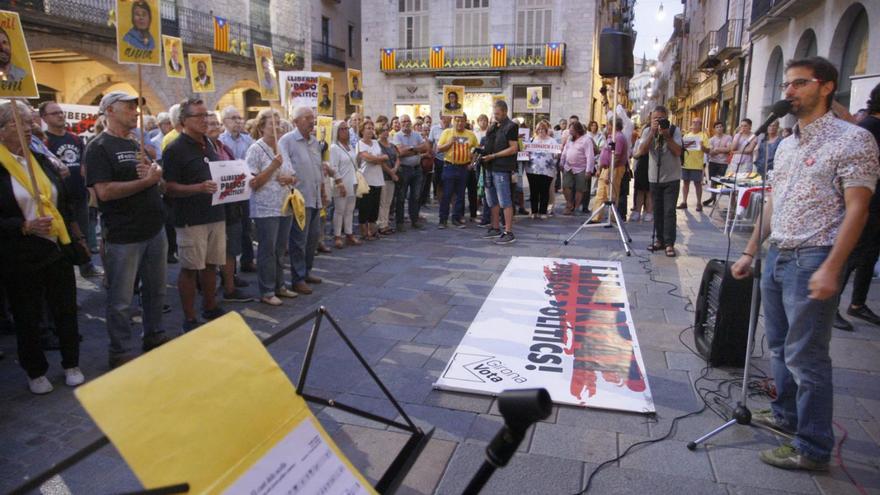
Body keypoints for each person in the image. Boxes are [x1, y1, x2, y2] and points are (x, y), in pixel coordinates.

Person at [731, 56, 879, 471]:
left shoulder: (853, 140)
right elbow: (774, 200)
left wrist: (832, 266)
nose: (789, 92)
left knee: (806, 357)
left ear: (827, 86)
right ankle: (786, 416)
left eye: (799, 83)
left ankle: (813, 446)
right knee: (778, 346)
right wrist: (750, 249)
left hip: (814, 255)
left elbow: (857, 210)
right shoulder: (786, 143)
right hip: (777, 252)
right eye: (786, 85)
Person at [0, 100, 84, 393]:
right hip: (19, 253)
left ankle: (71, 362)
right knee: (28, 314)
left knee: (65, 308)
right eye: (16, 124)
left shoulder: (39, 157)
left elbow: (63, 197)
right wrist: (23, 226)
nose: (26, 128)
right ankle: (35, 370)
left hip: (56, 246)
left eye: (27, 122)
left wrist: (73, 231)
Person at [163, 98, 227, 332]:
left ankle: (210, 306)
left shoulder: (209, 143)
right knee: (190, 268)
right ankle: (189, 317)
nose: (205, 120)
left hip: (215, 212)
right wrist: (197, 188)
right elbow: (168, 187)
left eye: (206, 115)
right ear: (184, 121)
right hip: (191, 218)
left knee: (212, 264)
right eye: (198, 116)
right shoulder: (175, 149)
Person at [834, 82, 880, 331]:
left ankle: (857, 304)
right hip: (866, 203)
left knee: (869, 255)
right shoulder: (869, 128)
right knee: (854, 254)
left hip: (875, 203)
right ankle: (831, 307)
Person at [40, 101, 103, 277]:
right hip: (58, 200)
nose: (60, 115)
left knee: (82, 233)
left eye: (60, 112)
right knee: (63, 238)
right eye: (54, 113)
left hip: (79, 193)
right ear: (44, 118)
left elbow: (84, 162)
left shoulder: (74, 138)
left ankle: (86, 266)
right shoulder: (43, 141)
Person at [245, 109, 298, 306]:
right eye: (272, 124)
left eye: (279, 123)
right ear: (261, 128)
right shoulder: (255, 150)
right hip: (265, 207)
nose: (278, 127)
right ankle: (267, 291)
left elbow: (293, 175)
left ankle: (279, 285)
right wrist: (273, 167)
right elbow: (253, 182)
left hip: (284, 204)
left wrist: (290, 178)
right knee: (267, 249)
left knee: (280, 248)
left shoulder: (281, 146)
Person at [206, 112, 253, 303]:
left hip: (232, 204)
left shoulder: (223, 147)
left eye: (215, 123)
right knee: (215, 251)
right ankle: (217, 289)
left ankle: (229, 283)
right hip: (213, 207)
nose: (214, 126)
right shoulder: (203, 149)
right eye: (209, 123)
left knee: (232, 247)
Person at [278, 106, 325, 295]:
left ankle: (306, 271)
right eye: (307, 118)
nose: (311, 121)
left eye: (312, 118)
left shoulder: (314, 142)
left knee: (313, 238)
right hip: (299, 198)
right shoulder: (287, 140)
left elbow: (318, 168)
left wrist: (323, 190)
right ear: (295, 121)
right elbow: (285, 167)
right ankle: (297, 278)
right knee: (299, 240)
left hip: (315, 196)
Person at [638, 105, 682, 257]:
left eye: (661, 119)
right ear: (651, 119)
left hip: (672, 177)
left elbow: (678, 151)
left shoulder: (674, 130)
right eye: (655, 119)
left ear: (667, 118)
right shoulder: (647, 131)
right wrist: (652, 132)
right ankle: (659, 240)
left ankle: (669, 243)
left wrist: (666, 135)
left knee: (669, 210)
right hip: (654, 177)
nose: (658, 121)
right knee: (657, 209)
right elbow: (641, 152)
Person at [219, 106, 257, 273]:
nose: (238, 121)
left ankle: (248, 260)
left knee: (246, 226)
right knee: (231, 229)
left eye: (239, 118)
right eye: (233, 118)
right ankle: (230, 268)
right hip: (228, 191)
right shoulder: (220, 141)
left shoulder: (248, 140)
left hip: (246, 189)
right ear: (225, 122)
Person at [480, 99, 519, 245]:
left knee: (505, 200)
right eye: (494, 113)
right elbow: (487, 144)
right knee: (492, 200)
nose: (495, 116)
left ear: (505, 112)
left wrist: (494, 156)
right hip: (489, 167)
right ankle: (495, 227)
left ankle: (509, 231)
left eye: (497, 113)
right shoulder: (493, 126)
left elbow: (514, 148)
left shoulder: (511, 126)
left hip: (502, 168)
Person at [436, 113, 478, 229]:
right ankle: (442, 219)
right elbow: (438, 149)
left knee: (460, 195)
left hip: (464, 168)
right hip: (449, 166)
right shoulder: (447, 132)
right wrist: (450, 143)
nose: (459, 123)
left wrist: (472, 163)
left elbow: (476, 150)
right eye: (457, 121)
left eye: (462, 121)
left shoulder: (470, 134)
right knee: (447, 194)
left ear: (466, 121)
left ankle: (456, 218)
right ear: (453, 121)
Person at [392, 114, 429, 231]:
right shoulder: (397, 136)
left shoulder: (416, 134)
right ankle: (400, 223)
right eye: (403, 122)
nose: (406, 123)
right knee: (401, 196)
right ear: (400, 123)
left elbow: (425, 147)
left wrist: (410, 148)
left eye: (408, 121)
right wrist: (416, 149)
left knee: (415, 196)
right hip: (404, 169)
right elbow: (400, 152)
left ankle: (414, 220)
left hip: (417, 169)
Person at [327, 120, 361, 248]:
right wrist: (339, 183)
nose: (345, 131)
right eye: (342, 129)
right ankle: (337, 236)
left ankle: (349, 233)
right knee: (339, 210)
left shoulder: (350, 146)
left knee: (350, 210)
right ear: (336, 131)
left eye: (346, 128)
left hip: (352, 181)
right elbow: (334, 167)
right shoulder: (334, 148)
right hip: (341, 182)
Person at [591, 118, 628, 223]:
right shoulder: (610, 137)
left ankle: (613, 217)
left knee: (611, 194)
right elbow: (605, 153)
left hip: (614, 168)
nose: (607, 126)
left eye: (608, 124)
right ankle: (596, 217)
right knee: (601, 193)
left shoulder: (619, 137)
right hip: (606, 168)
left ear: (613, 125)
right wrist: (600, 168)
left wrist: (610, 173)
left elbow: (616, 157)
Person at [356, 120, 387, 239]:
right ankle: (364, 232)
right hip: (366, 179)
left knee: (375, 206)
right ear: (362, 130)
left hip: (377, 178)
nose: (370, 130)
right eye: (368, 128)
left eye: (372, 128)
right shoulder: (359, 144)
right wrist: (378, 158)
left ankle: (372, 230)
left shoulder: (375, 142)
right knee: (365, 206)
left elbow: (385, 156)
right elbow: (367, 158)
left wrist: (376, 158)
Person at [560, 122, 593, 215]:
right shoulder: (569, 139)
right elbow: (565, 151)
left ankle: (577, 207)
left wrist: (588, 170)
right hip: (568, 166)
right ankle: (569, 204)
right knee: (565, 186)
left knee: (580, 189)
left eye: (572, 130)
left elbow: (590, 155)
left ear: (578, 130)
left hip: (581, 168)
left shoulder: (586, 140)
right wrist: (561, 162)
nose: (570, 131)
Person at [525, 120, 556, 218]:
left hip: (547, 170)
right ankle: (534, 211)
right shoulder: (531, 140)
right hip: (532, 170)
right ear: (536, 130)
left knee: (544, 190)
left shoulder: (551, 140)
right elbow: (526, 152)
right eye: (539, 129)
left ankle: (543, 212)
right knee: (534, 191)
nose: (541, 131)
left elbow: (556, 153)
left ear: (546, 130)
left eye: (543, 129)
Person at [679, 117, 710, 211]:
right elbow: (681, 148)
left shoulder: (703, 136)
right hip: (686, 163)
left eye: (697, 123)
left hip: (697, 164)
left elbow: (708, 150)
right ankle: (684, 202)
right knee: (685, 183)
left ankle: (698, 203)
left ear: (701, 125)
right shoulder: (686, 135)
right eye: (693, 122)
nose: (695, 124)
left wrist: (702, 146)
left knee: (698, 184)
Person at [376, 123, 400, 235]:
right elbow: (381, 162)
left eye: (387, 130)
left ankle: (386, 223)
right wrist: (391, 172)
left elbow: (397, 157)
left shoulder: (391, 145)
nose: (385, 132)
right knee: (383, 201)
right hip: (382, 176)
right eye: (383, 130)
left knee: (388, 202)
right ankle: (381, 225)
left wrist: (395, 168)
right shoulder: (377, 144)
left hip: (392, 176)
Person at [702, 121, 733, 207]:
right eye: (717, 127)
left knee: (720, 181)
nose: (719, 128)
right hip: (713, 162)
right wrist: (722, 149)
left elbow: (729, 149)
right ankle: (713, 198)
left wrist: (717, 150)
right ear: (714, 129)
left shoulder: (728, 137)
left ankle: (716, 197)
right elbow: (710, 152)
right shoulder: (711, 139)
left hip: (723, 163)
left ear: (723, 128)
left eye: (720, 126)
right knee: (713, 181)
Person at [630, 125, 653, 222]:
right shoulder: (639, 142)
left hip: (651, 167)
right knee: (640, 191)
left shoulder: (653, 142)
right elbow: (635, 154)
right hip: (641, 167)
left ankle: (648, 212)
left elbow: (637, 154)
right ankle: (638, 211)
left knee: (648, 192)